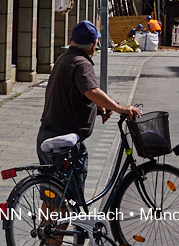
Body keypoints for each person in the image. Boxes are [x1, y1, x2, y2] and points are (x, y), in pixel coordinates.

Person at [38, 21, 142, 198]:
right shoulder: (82, 64)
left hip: (46, 135)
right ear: (94, 44)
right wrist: (119, 108)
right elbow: (91, 90)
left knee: (52, 197)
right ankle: (65, 225)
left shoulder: (63, 59)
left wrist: (97, 108)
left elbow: (73, 95)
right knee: (70, 199)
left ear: (71, 40)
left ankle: (46, 226)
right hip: (64, 141)